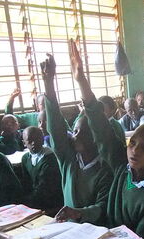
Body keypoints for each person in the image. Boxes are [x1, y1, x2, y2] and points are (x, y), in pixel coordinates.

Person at [68, 39, 144, 239]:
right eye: (132, 143)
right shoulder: (123, 171)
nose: (135, 150)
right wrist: (82, 82)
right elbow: (101, 129)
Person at [42, 53, 112, 225]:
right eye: (74, 131)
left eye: (83, 132)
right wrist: (49, 84)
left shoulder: (105, 168)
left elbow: (103, 206)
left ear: (96, 138)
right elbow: (56, 129)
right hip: (67, 228)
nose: (75, 136)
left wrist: (78, 213)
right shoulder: (69, 158)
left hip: (93, 230)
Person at [20, 126, 63, 214]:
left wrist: (26, 203)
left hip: (50, 203)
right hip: (34, 200)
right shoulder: (25, 158)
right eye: (30, 140)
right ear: (24, 143)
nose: (34, 143)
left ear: (43, 139)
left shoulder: (50, 158)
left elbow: (45, 189)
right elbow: (26, 183)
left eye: (37, 139)